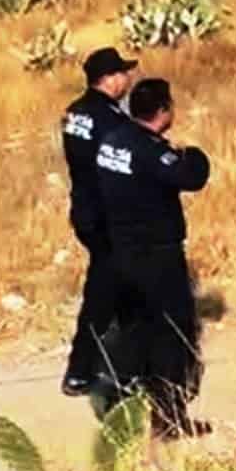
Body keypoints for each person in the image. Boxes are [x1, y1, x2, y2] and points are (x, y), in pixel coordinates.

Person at [94, 77, 214, 439]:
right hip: (156, 257)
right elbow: (192, 176)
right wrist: (190, 152)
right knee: (171, 336)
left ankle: (121, 415)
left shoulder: (112, 141)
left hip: (118, 253)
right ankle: (168, 418)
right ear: (164, 111)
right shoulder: (152, 151)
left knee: (133, 334)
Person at [58, 47, 137, 397]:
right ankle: (81, 371)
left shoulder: (75, 113)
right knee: (104, 294)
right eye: (123, 73)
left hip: (85, 212)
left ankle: (127, 364)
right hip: (109, 217)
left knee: (121, 290)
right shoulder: (111, 120)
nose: (128, 79)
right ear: (110, 78)